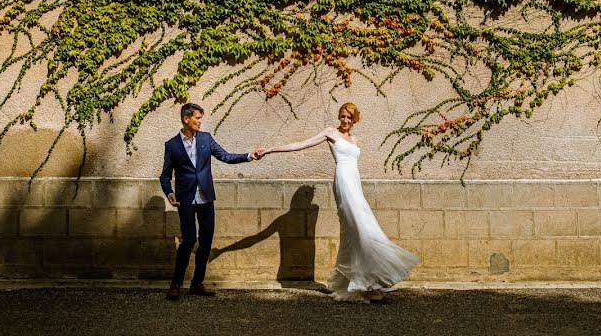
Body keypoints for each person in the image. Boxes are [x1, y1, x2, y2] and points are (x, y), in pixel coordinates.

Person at [259, 103, 419, 303]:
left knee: (365, 230)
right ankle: (364, 283)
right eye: (343, 116)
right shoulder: (330, 132)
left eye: (349, 118)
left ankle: (369, 281)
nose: (345, 120)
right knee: (359, 230)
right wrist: (271, 150)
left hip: (355, 183)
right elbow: (301, 144)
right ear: (339, 116)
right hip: (343, 182)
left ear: (354, 120)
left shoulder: (354, 139)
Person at [159, 102, 264, 301]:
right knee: (189, 240)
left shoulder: (206, 138)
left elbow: (225, 156)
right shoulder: (172, 145)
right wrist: (169, 193)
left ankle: (197, 283)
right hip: (185, 200)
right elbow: (164, 175)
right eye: (197, 118)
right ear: (186, 119)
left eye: (200, 118)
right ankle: (176, 283)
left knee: (206, 240)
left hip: (206, 198)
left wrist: (250, 156)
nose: (200, 122)